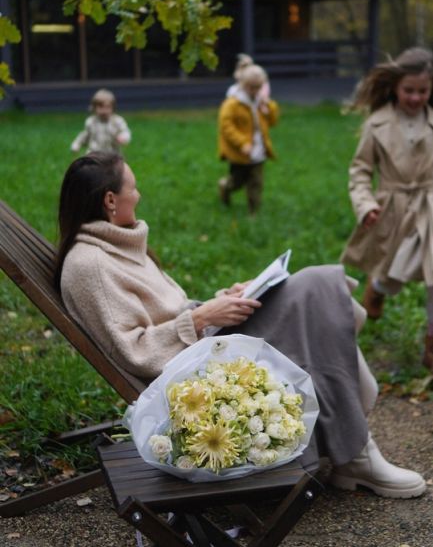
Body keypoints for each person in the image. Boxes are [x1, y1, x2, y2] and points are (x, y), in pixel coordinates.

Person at [54, 151, 426, 499]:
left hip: (200, 342)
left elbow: (166, 312)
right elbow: (134, 351)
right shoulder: (91, 266)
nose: (139, 193)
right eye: (133, 187)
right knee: (315, 292)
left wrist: (220, 300)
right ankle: (358, 453)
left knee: (314, 288)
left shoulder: (116, 244)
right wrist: (201, 318)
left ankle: (355, 451)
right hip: (190, 370)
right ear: (110, 200)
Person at [340, 47, 433, 371]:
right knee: (393, 275)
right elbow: (360, 170)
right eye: (409, 90)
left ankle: (431, 344)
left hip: (430, 206)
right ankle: (377, 287)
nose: (415, 97)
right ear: (395, 86)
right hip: (394, 210)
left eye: (423, 91)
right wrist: (366, 205)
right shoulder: (377, 125)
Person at [218, 64, 279, 215]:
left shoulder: (261, 102)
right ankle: (225, 187)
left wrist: (269, 107)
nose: (255, 91)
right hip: (240, 154)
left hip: (258, 151)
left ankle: (254, 212)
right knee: (237, 182)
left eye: (258, 87)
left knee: (256, 183)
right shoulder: (232, 104)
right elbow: (226, 127)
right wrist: (242, 143)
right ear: (242, 85)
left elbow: (273, 122)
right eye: (251, 87)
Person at [70, 88, 131, 154]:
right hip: (94, 152)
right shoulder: (91, 122)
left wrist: (123, 137)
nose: (104, 111)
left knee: (121, 164)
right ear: (94, 107)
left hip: (112, 152)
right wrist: (76, 145)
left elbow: (125, 131)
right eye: (100, 107)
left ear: (113, 108)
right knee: (89, 162)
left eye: (108, 107)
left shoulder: (117, 121)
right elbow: (85, 135)